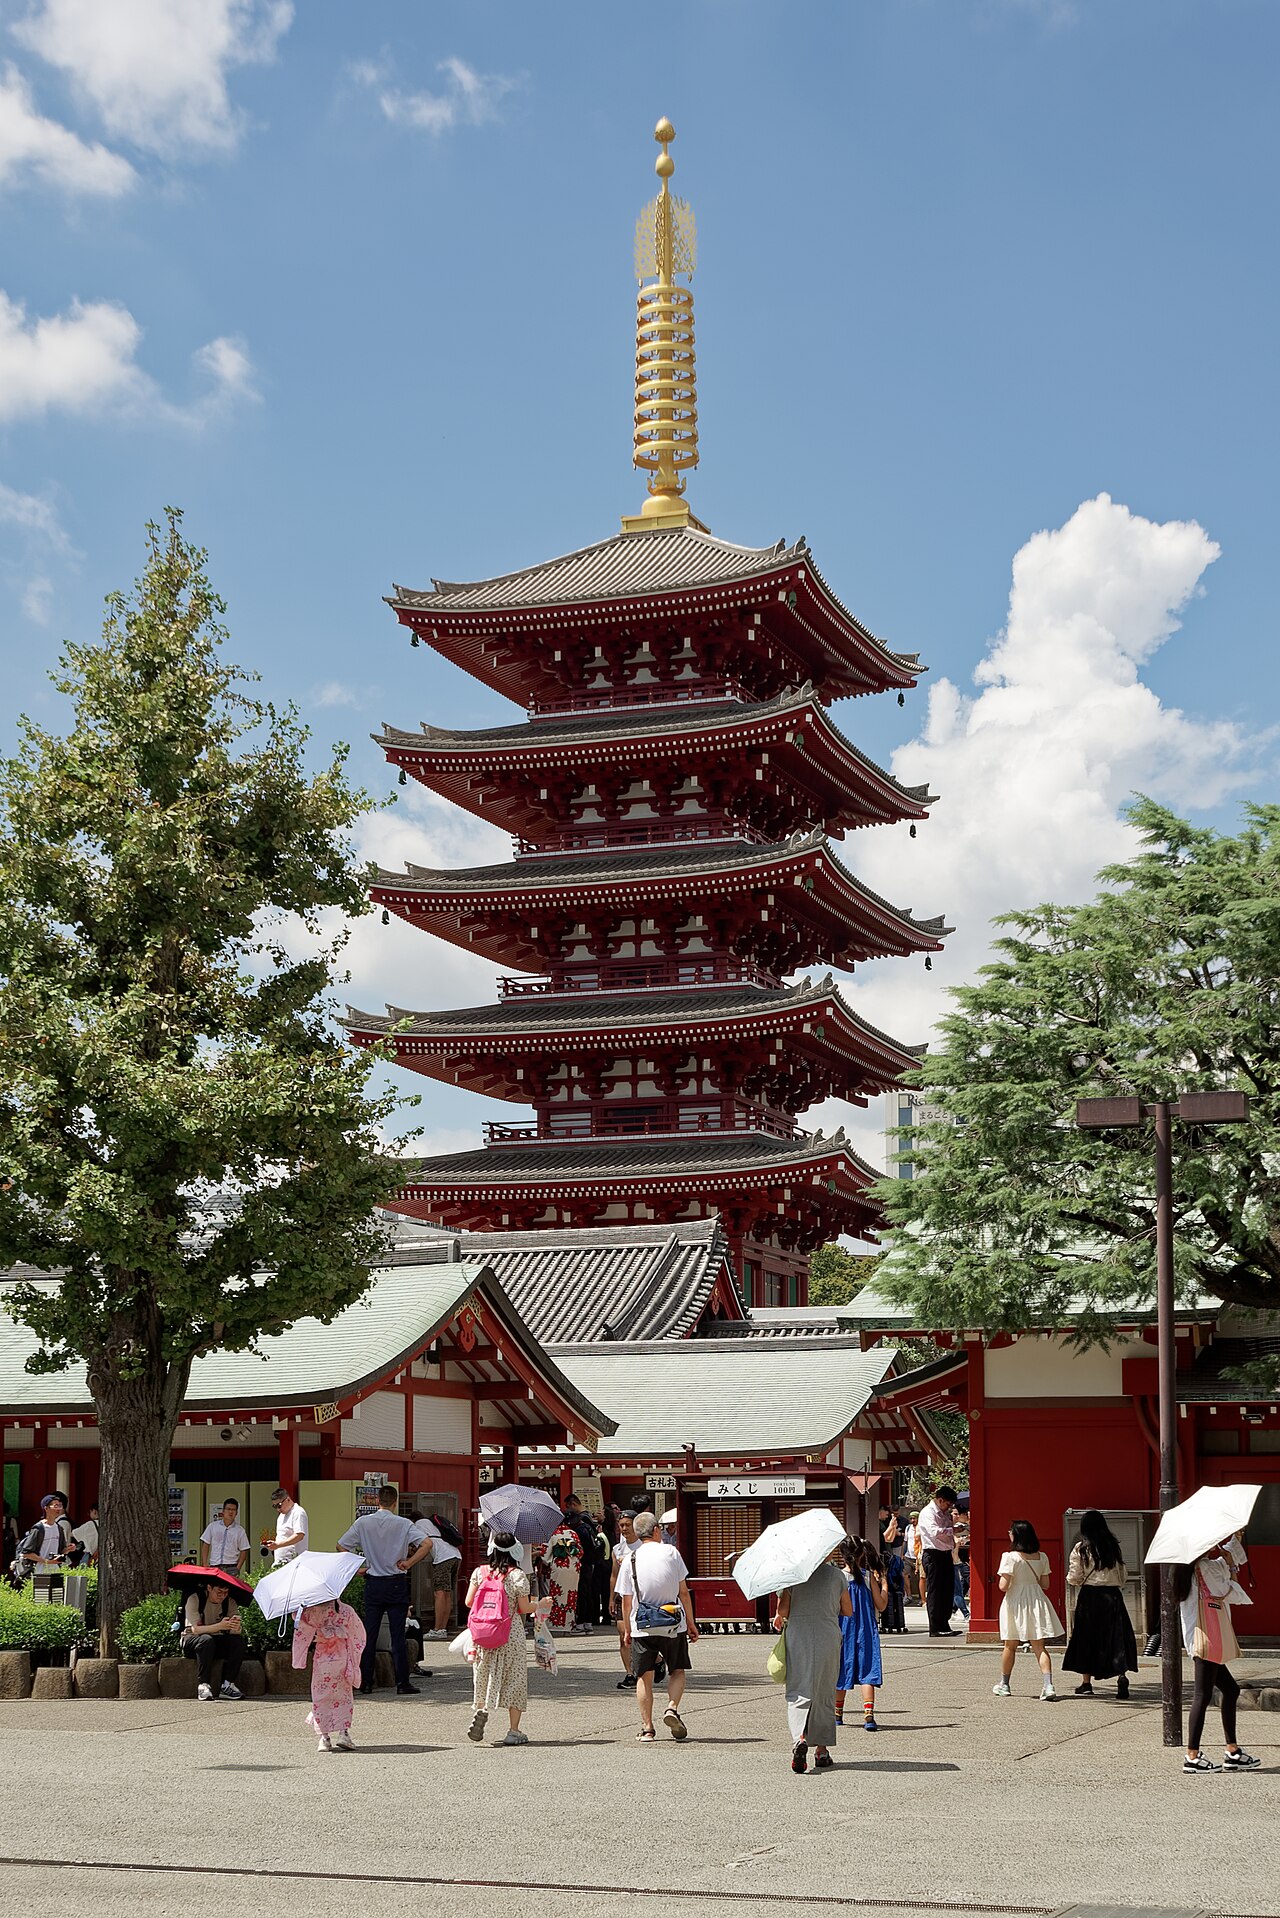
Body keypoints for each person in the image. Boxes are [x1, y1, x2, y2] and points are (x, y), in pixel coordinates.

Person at [338, 1485, 435, 1695]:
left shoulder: (363, 1522)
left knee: (369, 1635)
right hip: (396, 1582)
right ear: (395, 1502)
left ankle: (365, 1682)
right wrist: (409, 1563)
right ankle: (402, 1683)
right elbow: (427, 1544)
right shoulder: (403, 1524)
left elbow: (341, 1546)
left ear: (377, 1501)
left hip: (373, 1582)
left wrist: (358, 1568)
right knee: (397, 1634)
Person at [1175, 1538, 1259, 1773]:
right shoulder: (1204, 1568)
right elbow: (1228, 1592)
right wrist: (1231, 1566)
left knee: (1231, 1689)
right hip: (1207, 1639)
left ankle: (1232, 1750)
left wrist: (1234, 1545)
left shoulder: (1186, 1571)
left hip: (1199, 1637)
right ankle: (1192, 1756)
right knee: (1201, 1694)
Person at [616, 1510, 699, 1742]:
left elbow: (626, 1599)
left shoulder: (630, 1558)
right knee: (677, 1670)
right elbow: (683, 1591)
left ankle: (647, 1729)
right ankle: (672, 1708)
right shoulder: (671, 1552)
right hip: (673, 1621)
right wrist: (691, 1623)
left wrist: (628, 1631)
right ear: (656, 1530)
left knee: (643, 1676)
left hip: (643, 1624)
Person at [773, 1545, 851, 1772]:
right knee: (824, 1691)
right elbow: (847, 1610)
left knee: (798, 1689)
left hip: (799, 1635)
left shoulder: (792, 1575)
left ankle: (799, 1738)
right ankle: (822, 1750)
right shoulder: (837, 1575)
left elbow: (784, 1610)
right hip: (827, 1633)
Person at [466, 1530, 535, 1746]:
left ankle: (481, 1708)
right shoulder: (517, 1575)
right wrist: (541, 1605)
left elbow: (469, 1601)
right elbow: (524, 1607)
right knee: (514, 1678)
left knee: (483, 1673)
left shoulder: (480, 1572)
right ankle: (513, 1731)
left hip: (483, 1633)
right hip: (509, 1632)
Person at [1062, 1508, 1137, 1699]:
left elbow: (1075, 1576)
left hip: (1090, 1597)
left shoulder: (1081, 1548)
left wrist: (1074, 1581)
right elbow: (1122, 1574)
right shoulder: (1112, 1546)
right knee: (1116, 1636)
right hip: (1112, 1596)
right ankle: (1121, 1675)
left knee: (1087, 1637)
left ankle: (1086, 1683)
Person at [992, 1519, 1062, 1701]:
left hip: (1015, 1602)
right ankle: (1048, 1685)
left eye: (1011, 1531)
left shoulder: (1009, 1557)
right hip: (1037, 1600)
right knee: (1039, 1646)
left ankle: (1004, 1684)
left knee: (1010, 1645)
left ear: (1016, 1535)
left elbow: (1003, 1586)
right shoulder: (1042, 1556)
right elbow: (1045, 1584)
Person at [292, 1598, 366, 1753]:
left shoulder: (311, 1612)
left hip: (322, 1660)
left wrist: (299, 1658)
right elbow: (359, 1635)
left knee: (321, 1696)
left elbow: (301, 1629)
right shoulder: (346, 1610)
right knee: (343, 1695)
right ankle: (343, 1733)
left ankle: (324, 1738)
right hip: (342, 1658)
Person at [835, 1536, 887, 1731]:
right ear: (862, 1554)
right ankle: (869, 1716)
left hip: (843, 1628)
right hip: (866, 1629)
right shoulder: (867, 1577)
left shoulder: (839, 1577)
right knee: (867, 1670)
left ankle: (837, 1714)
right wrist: (884, 1585)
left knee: (841, 1667)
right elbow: (881, 1605)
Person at [181, 1573, 246, 1701]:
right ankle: (203, 1685)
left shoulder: (229, 1602)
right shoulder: (195, 1599)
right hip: (193, 1640)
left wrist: (235, 1627)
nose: (222, 1596)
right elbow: (195, 1629)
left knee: (238, 1642)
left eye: (226, 1592)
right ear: (209, 1588)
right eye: (219, 1592)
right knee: (206, 1640)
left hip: (216, 1640)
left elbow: (234, 1632)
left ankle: (227, 1684)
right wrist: (220, 1626)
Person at [917, 1484, 960, 1637]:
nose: (948, 1507)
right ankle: (935, 1627)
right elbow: (935, 1532)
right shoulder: (928, 1513)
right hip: (933, 1554)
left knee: (947, 1590)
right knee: (935, 1591)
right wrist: (953, 1530)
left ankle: (944, 1623)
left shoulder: (944, 1514)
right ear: (940, 1500)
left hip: (945, 1553)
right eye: (947, 1504)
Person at [419, 1514, 463, 1640]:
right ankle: (443, 1628)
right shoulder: (433, 1525)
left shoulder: (418, 1524)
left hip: (443, 1558)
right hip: (455, 1555)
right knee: (447, 1593)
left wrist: (410, 1561)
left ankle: (437, 1629)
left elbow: (423, 1546)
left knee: (439, 1593)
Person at [610, 1509, 640, 1689]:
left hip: (640, 1596)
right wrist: (611, 1598)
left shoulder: (644, 1546)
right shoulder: (617, 1549)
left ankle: (657, 1660)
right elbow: (614, 1575)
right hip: (623, 1596)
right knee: (624, 1635)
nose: (624, 1529)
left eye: (628, 1525)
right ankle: (630, 1674)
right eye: (621, 1525)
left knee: (639, 1636)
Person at [19, 1493, 73, 1572]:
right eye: (55, 1506)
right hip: (38, 1571)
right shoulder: (38, 1529)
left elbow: (60, 1551)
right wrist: (46, 1561)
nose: (59, 1509)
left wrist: (68, 1549)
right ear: (46, 1508)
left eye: (60, 1506)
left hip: (55, 1571)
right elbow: (26, 1553)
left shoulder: (59, 1528)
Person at [199, 1498, 250, 1576]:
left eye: (233, 1510)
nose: (230, 1512)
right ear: (223, 1511)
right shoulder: (213, 1526)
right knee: (214, 1588)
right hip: (214, 1566)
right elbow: (206, 1544)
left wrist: (238, 1568)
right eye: (228, 1509)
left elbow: (244, 1550)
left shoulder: (240, 1531)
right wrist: (205, 1563)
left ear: (236, 1513)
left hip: (231, 1567)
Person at [271, 1487, 309, 1565]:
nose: (278, 1509)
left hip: (294, 1561)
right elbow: (282, 1536)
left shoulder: (298, 1512)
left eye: (279, 1505)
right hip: (281, 1561)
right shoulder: (281, 1516)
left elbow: (299, 1535)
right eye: (275, 1506)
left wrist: (278, 1545)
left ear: (288, 1499)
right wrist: (274, 1544)